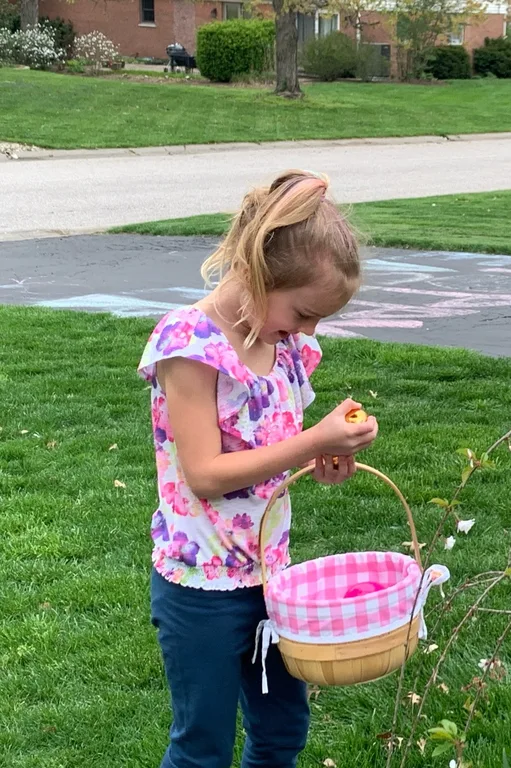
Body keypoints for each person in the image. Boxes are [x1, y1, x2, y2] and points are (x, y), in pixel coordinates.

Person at [138, 169, 377, 768]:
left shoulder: (283, 346)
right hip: (202, 588)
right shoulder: (191, 346)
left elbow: (278, 448)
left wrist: (326, 455)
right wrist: (308, 442)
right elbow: (206, 473)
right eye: (302, 313)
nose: (307, 331)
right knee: (203, 747)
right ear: (258, 271)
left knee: (281, 732)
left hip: (272, 579)